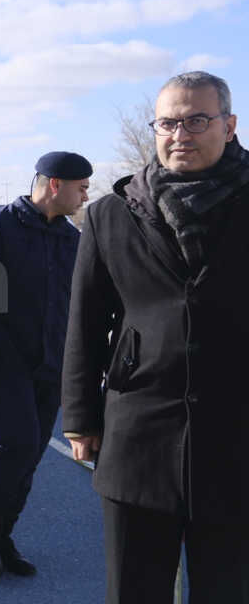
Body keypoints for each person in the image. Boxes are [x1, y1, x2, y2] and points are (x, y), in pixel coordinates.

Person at [63, 71, 249, 602]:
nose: (180, 134)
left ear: (229, 126)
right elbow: (85, 321)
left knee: (226, 587)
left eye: (197, 120)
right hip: (138, 435)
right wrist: (78, 417)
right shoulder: (110, 214)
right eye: (167, 122)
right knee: (134, 588)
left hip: (236, 435)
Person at [0, 153, 92, 577]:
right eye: (80, 187)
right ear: (54, 184)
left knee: (30, 454)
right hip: (4, 357)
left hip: (51, 360)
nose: (85, 195)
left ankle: (1, 535)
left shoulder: (69, 236)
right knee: (19, 446)